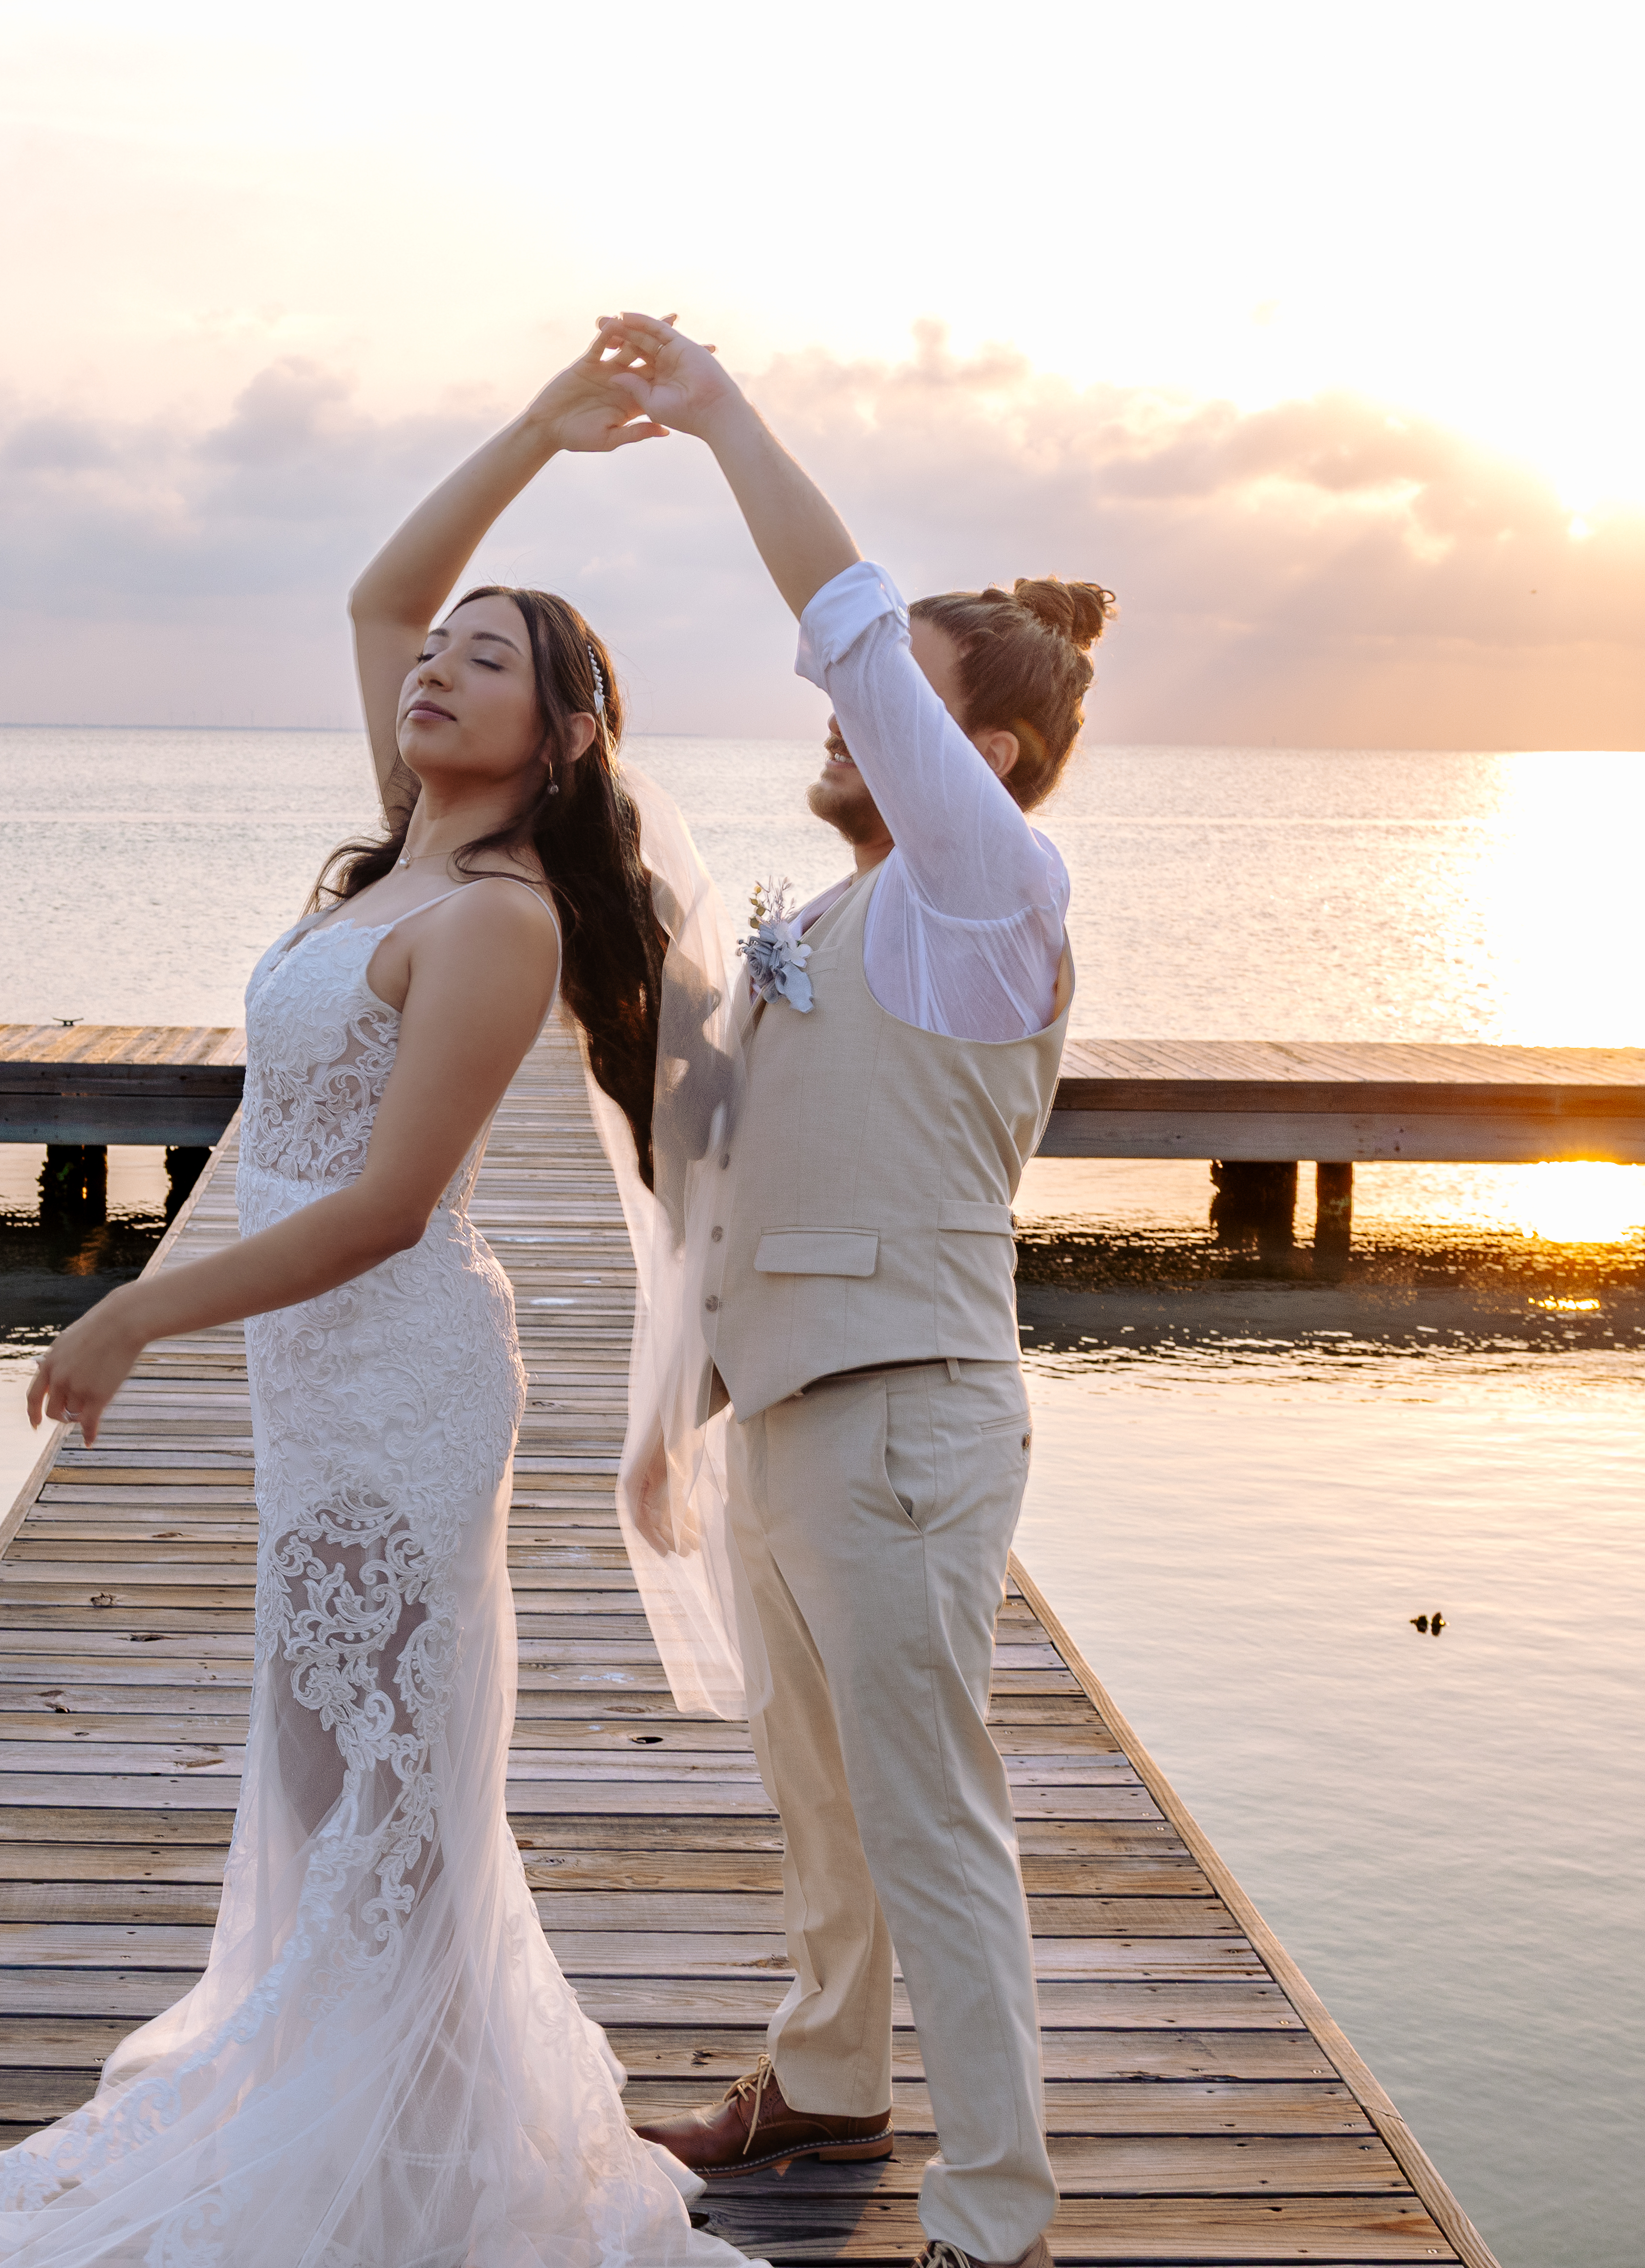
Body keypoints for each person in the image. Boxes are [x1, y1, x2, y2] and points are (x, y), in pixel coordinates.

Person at [0, 334, 752, 2268]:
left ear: (560, 738)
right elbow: (377, 589)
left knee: (397, 1793)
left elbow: (381, 1208)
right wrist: (537, 425)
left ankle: (411, 2174)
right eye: (448, 655)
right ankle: (366, 2127)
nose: (435, 664)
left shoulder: (501, 915)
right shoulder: (400, 845)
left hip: (405, 1367)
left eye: (490, 660)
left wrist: (136, 1311)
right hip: (311, 1385)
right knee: (320, 1773)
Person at [595, 311, 1115, 2268]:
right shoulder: (815, 915)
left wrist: (722, 414)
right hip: (793, 1420)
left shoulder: (990, 902)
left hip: (909, 1420)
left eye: (891, 692)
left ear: (978, 754)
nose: (841, 709)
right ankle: (826, 2076)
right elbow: (725, 1178)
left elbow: (838, 610)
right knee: (819, 1797)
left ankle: (994, 2214)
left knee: (930, 1814)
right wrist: (673, 1416)